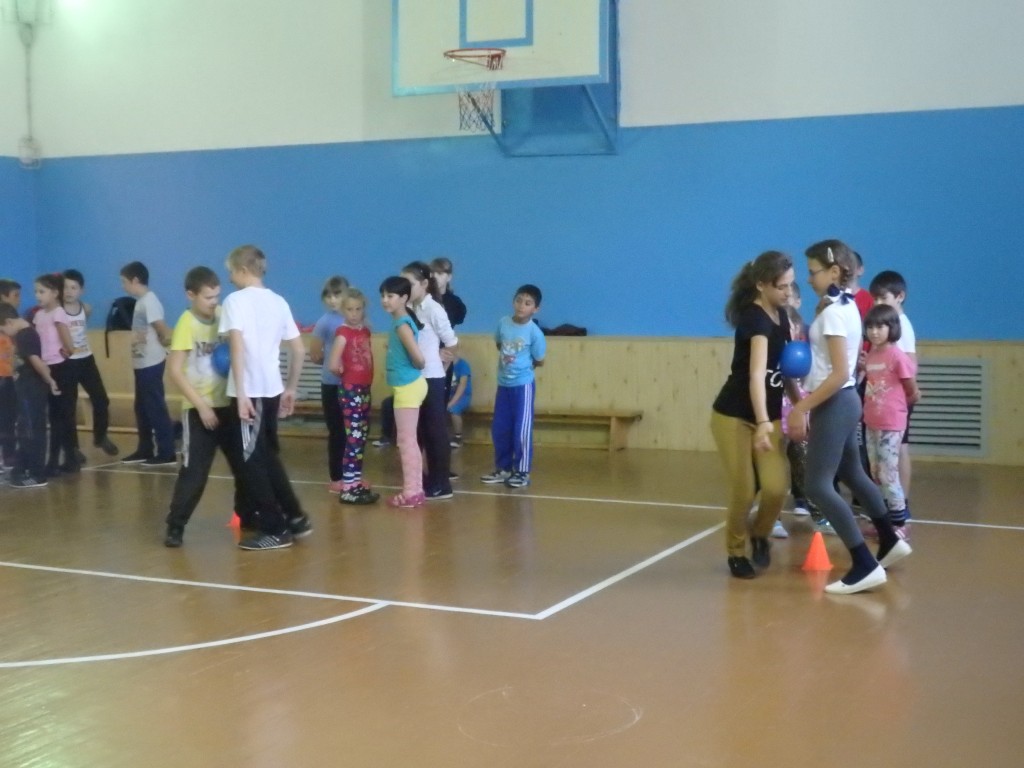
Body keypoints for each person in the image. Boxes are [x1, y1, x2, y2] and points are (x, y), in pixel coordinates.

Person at [786, 240, 911, 595]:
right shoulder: (845, 306)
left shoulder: (834, 314)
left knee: (817, 486)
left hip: (834, 402)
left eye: (812, 272)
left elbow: (840, 371)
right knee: (853, 473)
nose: (808, 278)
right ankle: (889, 539)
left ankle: (863, 563)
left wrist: (801, 407)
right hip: (845, 400)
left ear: (833, 272)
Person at [220, 245, 313, 550]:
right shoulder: (278, 301)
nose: (229, 278)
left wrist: (241, 393)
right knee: (268, 458)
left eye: (231, 272)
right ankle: (296, 517)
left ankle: (275, 528)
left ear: (243, 270)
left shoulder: (234, 301)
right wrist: (291, 388)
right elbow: (299, 349)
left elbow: (236, 347)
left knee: (252, 462)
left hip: (250, 392)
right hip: (271, 392)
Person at [710, 252, 796, 579]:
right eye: (781, 286)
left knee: (776, 488)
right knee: (744, 491)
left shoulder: (781, 316)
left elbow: (784, 370)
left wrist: (800, 405)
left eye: (791, 285)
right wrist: (761, 423)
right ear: (761, 285)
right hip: (733, 415)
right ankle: (736, 552)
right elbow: (757, 374)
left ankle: (759, 535)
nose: (788, 292)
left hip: (767, 416)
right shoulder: (754, 319)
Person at [163, 267, 251, 548]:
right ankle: (176, 525)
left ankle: (247, 516)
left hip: (228, 406)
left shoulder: (223, 315)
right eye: (208, 297)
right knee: (195, 472)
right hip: (199, 410)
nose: (214, 302)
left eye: (216, 296)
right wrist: (201, 407)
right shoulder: (186, 323)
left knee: (245, 466)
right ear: (191, 295)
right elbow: (174, 371)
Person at [400, 261, 458, 501]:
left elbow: (452, 342)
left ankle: (442, 483)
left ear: (424, 284)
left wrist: (441, 364)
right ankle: (424, 478)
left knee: (435, 431)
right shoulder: (407, 308)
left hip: (431, 378)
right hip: (413, 378)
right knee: (419, 431)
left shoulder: (434, 308)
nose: (405, 289)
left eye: (410, 284)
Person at [481, 284, 546, 489]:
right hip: (504, 385)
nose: (521, 306)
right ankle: (503, 469)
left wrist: (522, 368)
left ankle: (522, 472)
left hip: (522, 386)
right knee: (500, 427)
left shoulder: (534, 333)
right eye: (518, 300)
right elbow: (499, 344)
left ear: (535, 309)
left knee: (521, 430)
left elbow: (540, 359)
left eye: (527, 303)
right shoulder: (503, 323)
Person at [863, 303, 920, 530]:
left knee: (888, 474)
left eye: (880, 327)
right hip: (871, 422)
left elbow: (911, 387)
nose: (874, 332)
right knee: (876, 473)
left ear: (892, 328)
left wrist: (900, 405)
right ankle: (884, 523)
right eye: (870, 327)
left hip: (891, 423)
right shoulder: (871, 355)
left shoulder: (897, 356)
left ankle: (899, 524)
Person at [119, 261, 177, 466]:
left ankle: (167, 452)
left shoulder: (149, 301)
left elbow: (162, 330)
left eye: (124, 282)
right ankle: (145, 449)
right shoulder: (141, 302)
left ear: (135, 280)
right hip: (141, 364)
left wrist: (168, 347)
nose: (123, 286)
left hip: (151, 364)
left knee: (155, 407)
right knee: (142, 408)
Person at [327, 288, 378, 505]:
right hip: (351, 389)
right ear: (343, 310)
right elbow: (333, 363)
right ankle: (347, 485)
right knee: (354, 437)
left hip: (364, 388)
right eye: (349, 309)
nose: (354, 314)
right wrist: (345, 374)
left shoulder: (365, 331)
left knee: (361, 436)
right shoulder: (343, 333)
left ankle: (355, 481)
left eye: (358, 309)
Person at [379, 275, 427, 507]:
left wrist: (410, 364)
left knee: (406, 441)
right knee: (408, 440)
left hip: (408, 387)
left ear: (404, 298)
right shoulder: (399, 322)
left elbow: (419, 359)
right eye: (383, 296)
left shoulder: (402, 326)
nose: (385, 300)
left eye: (390, 296)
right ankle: (415, 489)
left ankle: (411, 492)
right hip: (406, 386)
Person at [0, 302, 59, 488]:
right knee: (25, 429)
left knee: (33, 431)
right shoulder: (22, 334)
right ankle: (22, 468)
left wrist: (50, 380)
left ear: (9, 322)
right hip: (25, 389)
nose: (4, 333)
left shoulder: (26, 335)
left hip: (31, 390)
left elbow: (36, 361)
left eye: (2, 329)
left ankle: (37, 474)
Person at [61, 269, 119, 457]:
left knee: (101, 398)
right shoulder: (57, 312)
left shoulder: (86, 308)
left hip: (86, 360)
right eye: (65, 287)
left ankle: (100, 436)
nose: (69, 291)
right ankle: (73, 449)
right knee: (69, 406)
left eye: (73, 287)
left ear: (81, 290)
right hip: (66, 363)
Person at [33, 274, 79, 475]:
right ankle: (65, 459)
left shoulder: (58, 313)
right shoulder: (39, 315)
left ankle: (59, 460)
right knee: (54, 416)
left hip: (61, 369)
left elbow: (69, 345)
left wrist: (64, 352)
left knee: (62, 416)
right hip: (47, 369)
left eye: (41, 291)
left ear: (54, 293)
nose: (37, 295)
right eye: (36, 291)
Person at [308, 275, 349, 493]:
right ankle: (336, 478)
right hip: (332, 384)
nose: (333, 300)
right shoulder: (325, 322)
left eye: (337, 295)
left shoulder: (353, 318)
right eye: (329, 296)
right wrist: (333, 363)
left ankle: (351, 475)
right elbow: (315, 354)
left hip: (353, 384)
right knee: (337, 431)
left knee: (353, 431)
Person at [0, 279, 21, 471]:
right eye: (15, 296)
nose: (19, 300)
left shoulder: (15, 321)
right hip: (3, 378)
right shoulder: (6, 320)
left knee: (9, 418)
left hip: (10, 378)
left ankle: (9, 455)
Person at [447, 354, 472, 448]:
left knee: (454, 409)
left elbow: (462, 385)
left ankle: (458, 437)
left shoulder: (463, 365)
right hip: (448, 394)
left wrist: (451, 403)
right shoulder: (441, 364)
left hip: (463, 395)